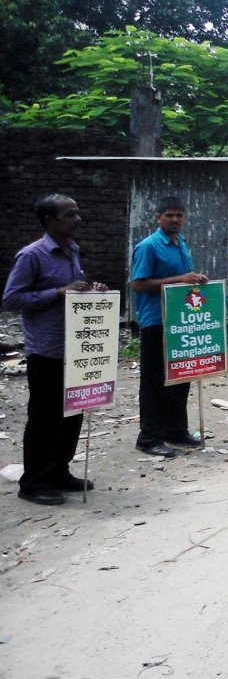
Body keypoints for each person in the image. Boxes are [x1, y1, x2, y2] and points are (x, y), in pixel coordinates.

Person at [2, 195, 107, 504]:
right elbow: (11, 299)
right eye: (69, 214)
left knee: (72, 412)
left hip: (75, 348)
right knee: (44, 417)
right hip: (46, 349)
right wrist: (58, 292)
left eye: (77, 213)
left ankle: (59, 470)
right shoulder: (31, 255)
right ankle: (33, 483)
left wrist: (92, 291)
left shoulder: (72, 251)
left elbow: (75, 291)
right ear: (50, 220)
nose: (78, 219)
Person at [130, 196, 207, 457]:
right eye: (169, 215)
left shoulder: (181, 243)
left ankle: (176, 430)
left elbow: (183, 281)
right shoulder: (148, 246)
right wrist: (180, 279)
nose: (175, 220)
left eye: (179, 215)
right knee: (154, 382)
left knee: (181, 377)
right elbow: (139, 284)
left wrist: (195, 280)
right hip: (156, 322)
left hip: (181, 322)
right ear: (158, 218)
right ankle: (149, 437)